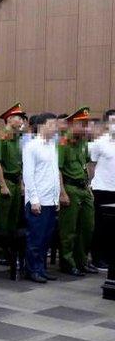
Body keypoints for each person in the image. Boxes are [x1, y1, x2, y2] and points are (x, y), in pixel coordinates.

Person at [22, 113, 61, 283]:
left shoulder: (52, 145)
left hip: (50, 199)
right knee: (35, 238)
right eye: (52, 125)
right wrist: (34, 200)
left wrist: (57, 197)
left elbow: (54, 172)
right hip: (38, 200)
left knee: (46, 237)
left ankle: (41, 268)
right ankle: (32, 270)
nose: (56, 128)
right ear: (42, 126)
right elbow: (28, 175)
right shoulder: (31, 146)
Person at [57, 107, 96, 276]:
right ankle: (67, 262)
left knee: (87, 227)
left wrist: (88, 187)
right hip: (70, 189)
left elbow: (86, 165)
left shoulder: (83, 143)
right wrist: (62, 192)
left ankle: (81, 261)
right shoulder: (63, 143)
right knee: (69, 229)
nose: (86, 128)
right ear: (73, 124)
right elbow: (57, 170)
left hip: (83, 188)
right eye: (83, 124)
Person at [0, 103, 26, 274]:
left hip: (16, 182)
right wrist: (3, 185)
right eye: (18, 117)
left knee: (13, 220)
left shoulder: (18, 138)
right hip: (6, 182)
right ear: (10, 119)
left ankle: (8, 251)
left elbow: (19, 164)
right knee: (1, 221)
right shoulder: (1, 138)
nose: (21, 120)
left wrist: (22, 184)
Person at [89, 109, 115, 269]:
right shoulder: (100, 143)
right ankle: (98, 258)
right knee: (100, 226)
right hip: (101, 188)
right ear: (107, 124)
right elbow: (90, 166)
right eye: (113, 121)